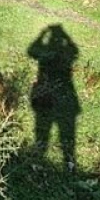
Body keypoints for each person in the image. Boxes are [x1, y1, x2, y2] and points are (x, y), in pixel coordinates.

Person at [26, 24, 80, 171]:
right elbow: (74, 51)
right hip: (64, 98)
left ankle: (39, 161)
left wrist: (42, 34)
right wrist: (65, 36)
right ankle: (68, 163)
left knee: (43, 130)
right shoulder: (66, 57)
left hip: (49, 95)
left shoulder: (46, 57)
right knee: (65, 132)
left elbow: (31, 50)